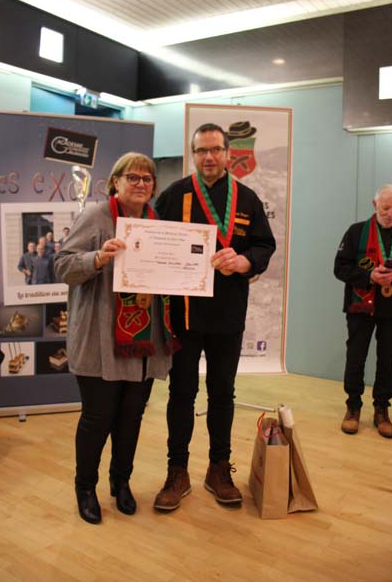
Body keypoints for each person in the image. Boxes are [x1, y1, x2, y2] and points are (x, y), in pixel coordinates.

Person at [153, 123, 276, 511]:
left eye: (215, 150)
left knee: (223, 392)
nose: (208, 157)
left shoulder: (247, 198)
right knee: (181, 393)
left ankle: (219, 469)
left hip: (228, 313)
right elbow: (153, 242)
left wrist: (244, 261)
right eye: (201, 150)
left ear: (227, 154)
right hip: (184, 315)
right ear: (193, 154)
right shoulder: (174, 195)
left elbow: (265, 245)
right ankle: (177, 471)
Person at [54, 152, 175, 524]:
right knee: (97, 419)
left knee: (131, 418)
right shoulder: (95, 216)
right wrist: (97, 258)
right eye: (132, 177)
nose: (141, 184)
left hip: (145, 341)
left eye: (147, 178)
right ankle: (85, 488)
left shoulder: (157, 222)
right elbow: (62, 266)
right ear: (115, 182)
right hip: (100, 340)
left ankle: (120, 482)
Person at [334, 184, 392, 439]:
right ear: (375, 205)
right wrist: (369, 276)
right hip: (361, 307)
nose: (391, 214)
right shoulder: (356, 232)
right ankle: (353, 408)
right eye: (386, 208)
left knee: (387, 361)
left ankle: (382, 411)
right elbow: (340, 268)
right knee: (356, 357)